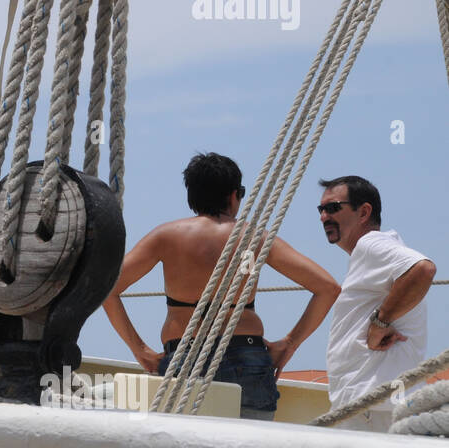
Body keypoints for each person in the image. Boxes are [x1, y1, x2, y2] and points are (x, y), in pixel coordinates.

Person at [103, 153, 340, 420]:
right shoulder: (254, 238)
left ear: (191, 196)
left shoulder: (165, 236)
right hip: (247, 356)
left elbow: (106, 288)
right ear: (232, 195)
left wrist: (140, 350)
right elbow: (327, 288)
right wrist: (289, 344)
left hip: (184, 356)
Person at [317, 175, 436, 432]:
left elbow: (422, 269)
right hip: (375, 403)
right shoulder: (370, 252)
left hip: (372, 407)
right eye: (321, 209)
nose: (324, 217)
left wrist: (380, 322)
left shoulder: (372, 244)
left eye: (333, 207)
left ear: (364, 212)